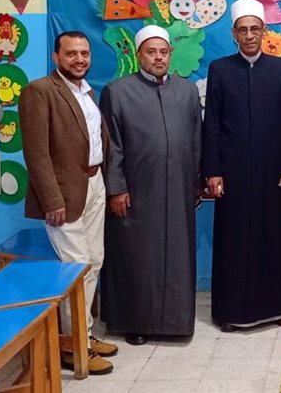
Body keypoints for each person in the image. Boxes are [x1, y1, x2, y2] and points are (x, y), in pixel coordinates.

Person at [203, 0, 281, 332]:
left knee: (275, 239)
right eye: (242, 30)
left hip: (274, 174)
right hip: (232, 175)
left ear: (264, 32)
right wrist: (212, 171)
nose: (249, 35)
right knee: (233, 242)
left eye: (254, 29)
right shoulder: (220, 70)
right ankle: (231, 313)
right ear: (234, 33)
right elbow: (212, 124)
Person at [20, 31, 117, 375]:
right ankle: (73, 347)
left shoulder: (87, 92)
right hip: (63, 194)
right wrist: (51, 199)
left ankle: (83, 336)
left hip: (94, 183)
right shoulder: (40, 91)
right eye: (71, 53)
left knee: (94, 261)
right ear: (56, 57)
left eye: (84, 53)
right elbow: (36, 152)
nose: (79, 59)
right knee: (76, 267)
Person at [99, 25, 203, 345]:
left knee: (177, 257)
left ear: (170, 54)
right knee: (138, 257)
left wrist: (197, 182)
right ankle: (136, 322)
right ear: (139, 55)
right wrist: (117, 188)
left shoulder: (187, 91)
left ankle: (176, 322)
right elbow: (112, 146)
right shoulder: (117, 91)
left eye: (163, 52)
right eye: (151, 52)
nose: (158, 58)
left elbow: (196, 140)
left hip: (179, 190)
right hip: (137, 192)